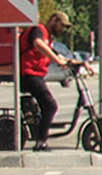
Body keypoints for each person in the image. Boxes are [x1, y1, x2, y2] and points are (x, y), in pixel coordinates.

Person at [17, 11, 70, 146]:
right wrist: (56, 60)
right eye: (61, 25)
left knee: (45, 106)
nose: (62, 29)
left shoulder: (48, 38)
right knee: (50, 106)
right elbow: (37, 43)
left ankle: (37, 131)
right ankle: (41, 141)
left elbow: (57, 55)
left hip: (35, 76)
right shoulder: (38, 30)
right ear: (53, 20)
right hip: (28, 74)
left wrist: (80, 63)